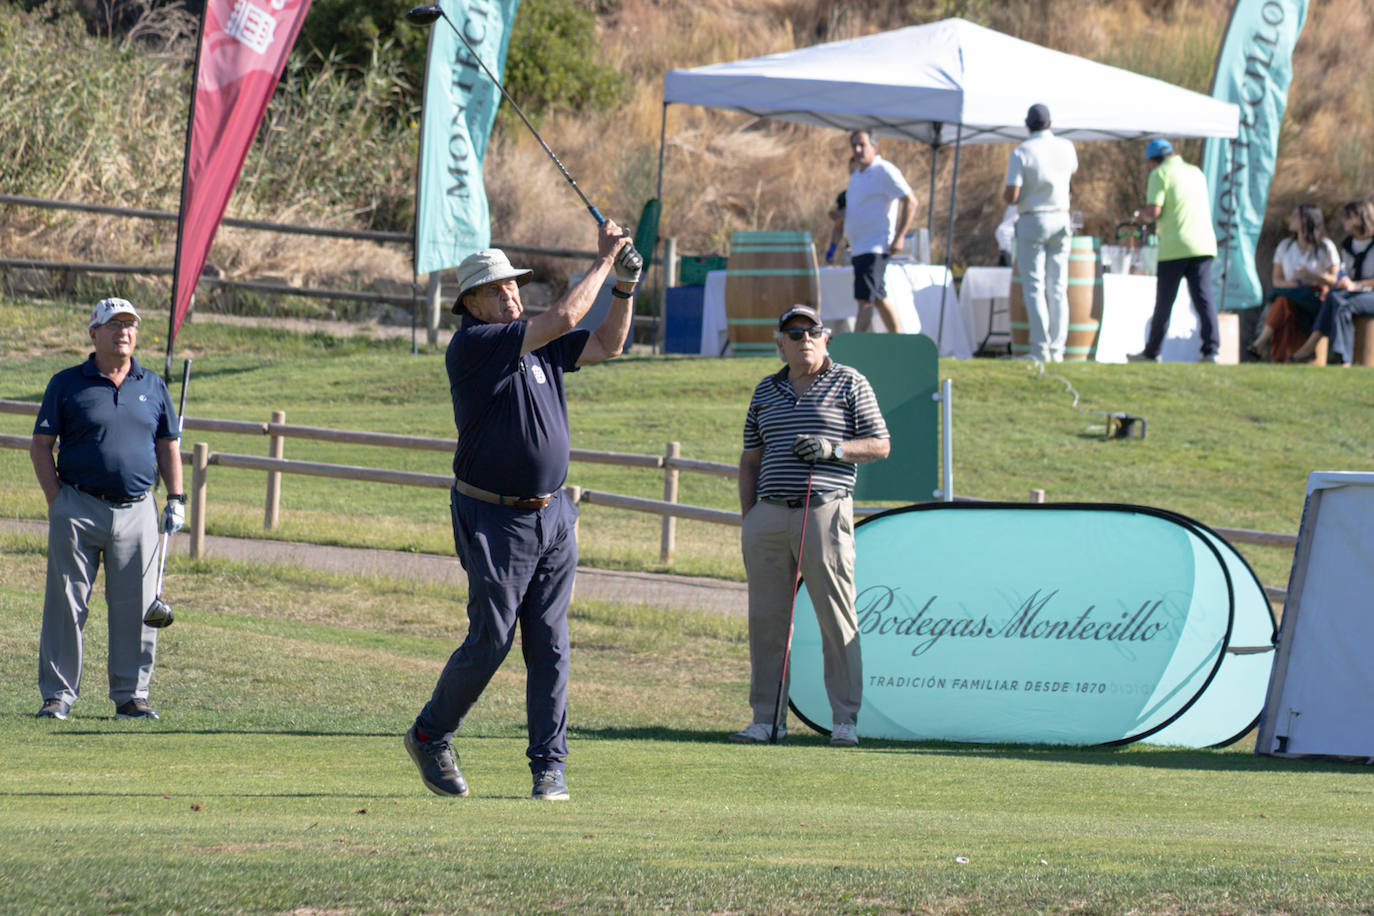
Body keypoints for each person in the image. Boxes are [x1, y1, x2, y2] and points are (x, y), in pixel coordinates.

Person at [404, 221, 642, 802]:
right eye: (500, 289)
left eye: (515, 285)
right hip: (494, 517)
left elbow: (607, 342)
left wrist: (626, 288)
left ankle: (549, 766)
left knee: (550, 643)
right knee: (491, 639)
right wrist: (606, 259)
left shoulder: (531, 342)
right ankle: (431, 732)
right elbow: (563, 317)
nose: (512, 294)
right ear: (472, 303)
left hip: (554, 516)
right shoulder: (474, 346)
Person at [731, 305, 890, 748]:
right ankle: (766, 719)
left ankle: (844, 720)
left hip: (824, 510)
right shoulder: (765, 390)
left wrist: (833, 450)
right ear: (779, 342)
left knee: (835, 618)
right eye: (794, 332)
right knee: (767, 622)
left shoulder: (850, 382)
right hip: (768, 514)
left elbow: (880, 444)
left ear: (827, 338)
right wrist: (750, 517)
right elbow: (750, 460)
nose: (804, 339)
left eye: (812, 332)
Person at [29, 297, 184, 721]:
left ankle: (131, 696)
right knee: (66, 603)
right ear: (93, 332)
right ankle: (58, 695)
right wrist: (56, 499)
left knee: (137, 606)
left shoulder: (152, 385)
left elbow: (168, 444)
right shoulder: (66, 383)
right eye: (115, 325)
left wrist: (176, 499)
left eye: (131, 325)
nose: (124, 333)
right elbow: (41, 446)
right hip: (77, 506)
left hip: (138, 511)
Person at [1126, 139, 1220, 363]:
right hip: (1203, 244)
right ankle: (1211, 350)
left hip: (1175, 247)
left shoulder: (1159, 174)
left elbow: (1154, 211)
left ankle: (1151, 352)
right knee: (1204, 298)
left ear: (1152, 161)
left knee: (1164, 301)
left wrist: (1140, 217)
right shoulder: (1196, 172)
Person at [1004, 103, 1079, 362]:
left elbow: (1011, 195)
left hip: (1033, 219)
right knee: (1057, 286)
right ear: (1050, 123)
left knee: (1034, 287)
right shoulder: (1066, 147)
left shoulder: (1021, 151)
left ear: (1028, 124)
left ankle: (1040, 350)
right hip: (1061, 217)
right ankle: (1057, 350)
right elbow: (1071, 175)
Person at [843, 130, 918, 333]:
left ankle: (855, 346)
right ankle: (898, 340)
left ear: (875, 147)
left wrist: (900, 236)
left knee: (865, 300)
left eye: (862, 145)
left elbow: (910, 201)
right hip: (859, 247)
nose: (858, 150)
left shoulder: (884, 170)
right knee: (877, 297)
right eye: (854, 146)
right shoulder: (857, 174)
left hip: (874, 245)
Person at [1250, 205, 1340, 362]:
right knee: (1285, 303)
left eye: (1295, 216)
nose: (1290, 219)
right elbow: (1276, 281)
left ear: (1307, 220)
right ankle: (1278, 356)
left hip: (1315, 298)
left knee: (1282, 302)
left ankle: (1262, 344)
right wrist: (1291, 284)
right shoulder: (1285, 246)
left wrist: (1313, 276)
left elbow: (1335, 281)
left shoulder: (1325, 247)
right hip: (1291, 293)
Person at [1288, 199, 1374, 364]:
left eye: (1348, 217)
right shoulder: (1348, 244)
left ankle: (1326, 351)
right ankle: (1339, 356)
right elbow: (1345, 273)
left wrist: (1357, 285)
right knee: (1334, 296)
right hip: (1354, 294)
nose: (1344, 221)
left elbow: (1359, 282)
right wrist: (1343, 281)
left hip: (1369, 294)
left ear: (1361, 217)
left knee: (1341, 302)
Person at [824, 156, 861, 266]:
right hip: (853, 249)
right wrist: (832, 248)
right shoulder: (845, 196)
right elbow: (838, 226)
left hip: (873, 247)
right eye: (852, 172)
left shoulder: (874, 194)